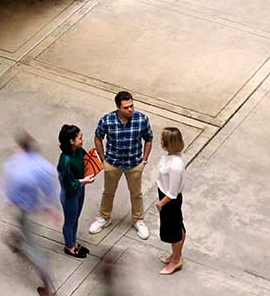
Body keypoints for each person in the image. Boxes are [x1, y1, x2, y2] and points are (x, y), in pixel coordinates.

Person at [0, 132, 60, 296]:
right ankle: (17, 241)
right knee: (28, 233)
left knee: (35, 248)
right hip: (33, 207)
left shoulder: (15, 166)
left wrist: (9, 201)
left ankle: (48, 286)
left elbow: (7, 190)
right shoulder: (42, 165)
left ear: (20, 148)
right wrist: (50, 209)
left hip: (22, 209)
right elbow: (50, 190)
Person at [89, 91, 154, 240]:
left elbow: (148, 139)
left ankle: (138, 220)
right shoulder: (107, 120)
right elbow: (98, 137)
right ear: (118, 107)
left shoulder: (141, 119)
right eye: (126, 107)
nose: (130, 110)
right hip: (113, 163)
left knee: (136, 193)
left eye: (131, 106)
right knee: (108, 192)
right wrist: (102, 158)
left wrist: (144, 160)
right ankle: (104, 218)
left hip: (134, 163)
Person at [57, 124, 97, 258]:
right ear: (71, 141)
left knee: (76, 218)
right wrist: (83, 181)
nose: (82, 140)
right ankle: (69, 246)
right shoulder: (65, 161)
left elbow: (86, 162)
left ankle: (73, 242)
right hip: (70, 195)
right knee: (70, 221)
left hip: (79, 190)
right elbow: (67, 184)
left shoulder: (79, 150)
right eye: (80, 138)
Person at [154, 127, 186, 276]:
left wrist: (161, 203)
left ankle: (176, 260)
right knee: (178, 226)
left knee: (174, 232)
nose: (160, 141)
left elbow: (172, 193)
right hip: (166, 195)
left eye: (163, 140)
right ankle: (175, 256)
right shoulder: (171, 156)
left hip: (169, 201)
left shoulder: (175, 166)